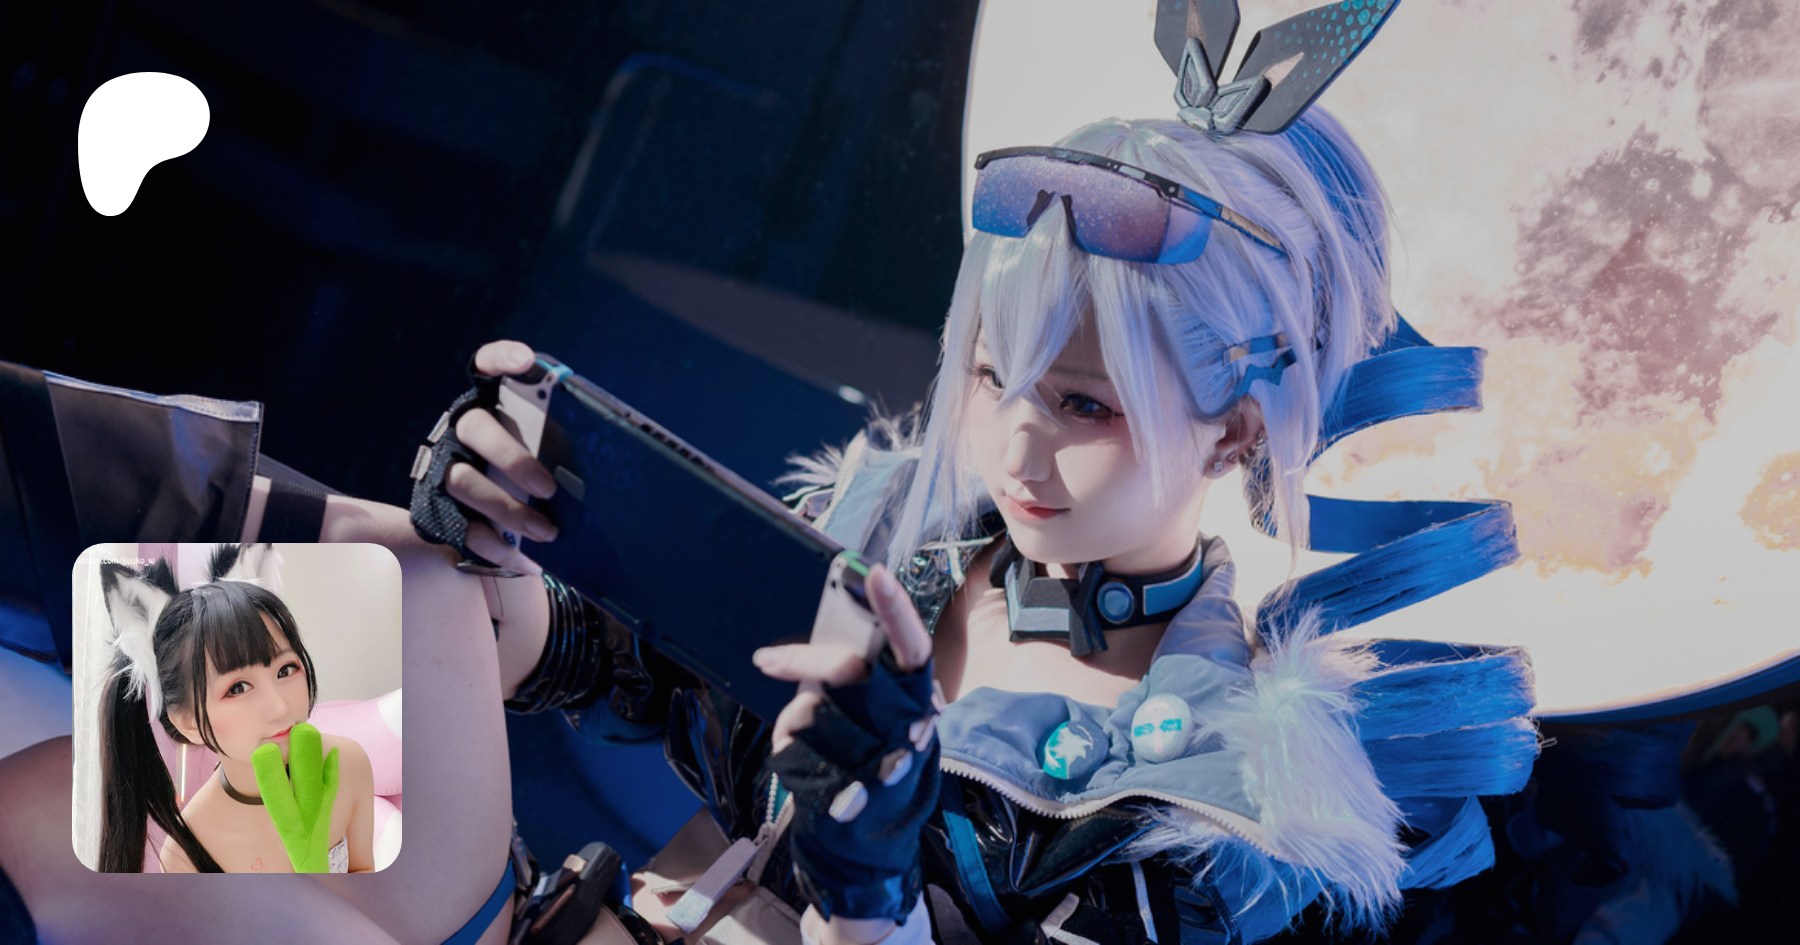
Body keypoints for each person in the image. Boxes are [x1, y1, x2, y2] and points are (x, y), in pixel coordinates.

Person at [421, 6, 1539, 943]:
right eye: (995, 376)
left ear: (1233, 435)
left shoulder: (1214, 802)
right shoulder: (878, 537)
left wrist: (869, 894)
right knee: (383, 594)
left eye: (1085, 405)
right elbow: (620, 667)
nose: (1015, 448)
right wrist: (496, 544)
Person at [91, 545, 377, 874]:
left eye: (285, 670)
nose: (280, 706)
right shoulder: (187, 853)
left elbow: (364, 874)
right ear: (188, 722)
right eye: (237, 688)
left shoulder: (348, 763)